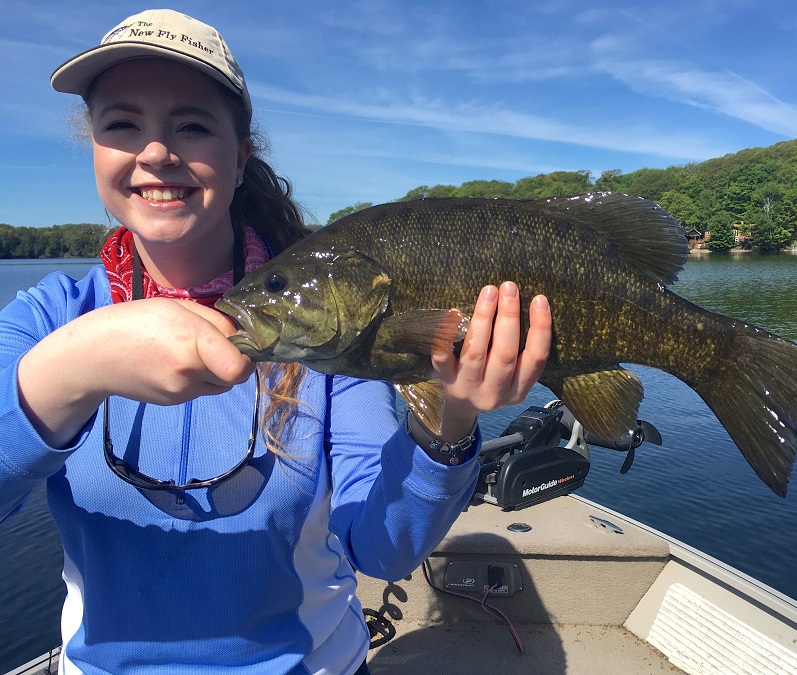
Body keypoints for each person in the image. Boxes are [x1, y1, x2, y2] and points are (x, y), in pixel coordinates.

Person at [0, 9, 552, 675]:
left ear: (240, 157)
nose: (154, 152)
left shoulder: (325, 327)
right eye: (122, 124)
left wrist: (451, 418)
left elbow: (381, 546)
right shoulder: (48, 317)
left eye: (192, 125)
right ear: (94, 147)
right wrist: (71, 370)